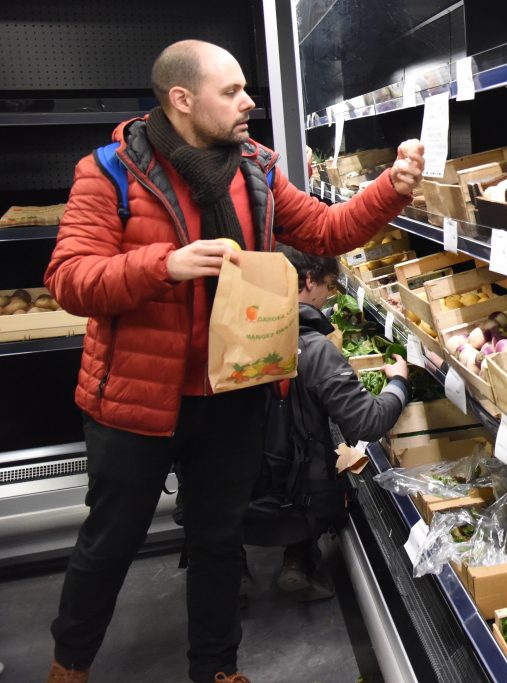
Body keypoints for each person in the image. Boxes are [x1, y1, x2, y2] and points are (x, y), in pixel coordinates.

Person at [43, 39, 423, 683]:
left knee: (218, 541)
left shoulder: (257, 170)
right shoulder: (108, 171)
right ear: (182, 99)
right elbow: (70, 279)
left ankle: (216, 669)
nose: (249, 102)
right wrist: (163, 264)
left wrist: (392, 188)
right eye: (232, 92)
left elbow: (327, 232)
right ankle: (69, 663)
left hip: (233, 391)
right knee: (110, 543)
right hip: (136, 401)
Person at [242, 244, 411, 602]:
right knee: (319, 451)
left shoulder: (244, 332)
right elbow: (368, 422)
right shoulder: (316, 350)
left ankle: (232, 574)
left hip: (240, 486)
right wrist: (398, 382)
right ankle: (299, 556)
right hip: (295, 492)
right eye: (328, 286)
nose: (328, 296)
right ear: (307, 281)